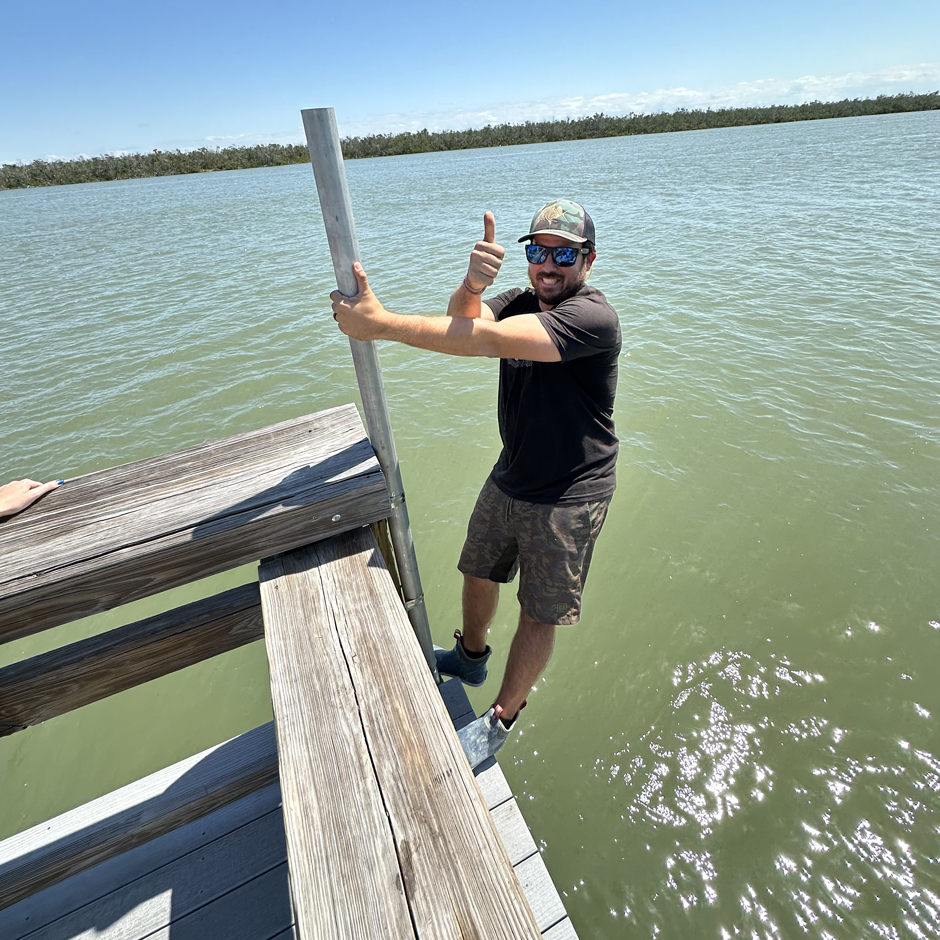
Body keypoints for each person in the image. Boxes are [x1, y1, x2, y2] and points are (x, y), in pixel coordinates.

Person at [330, 199, 620, 768]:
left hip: (570, 493)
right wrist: (471, 283)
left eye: (564, 254)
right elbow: (467, 321)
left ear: (589, 260)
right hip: (513, 472)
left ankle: (502, 717)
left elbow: (482, 342)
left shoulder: (592, 318)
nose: (548, 266)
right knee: (477, 567)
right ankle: (471, 656)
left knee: (540, 611)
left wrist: (380, 326)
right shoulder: (521, 299)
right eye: (538, 252)